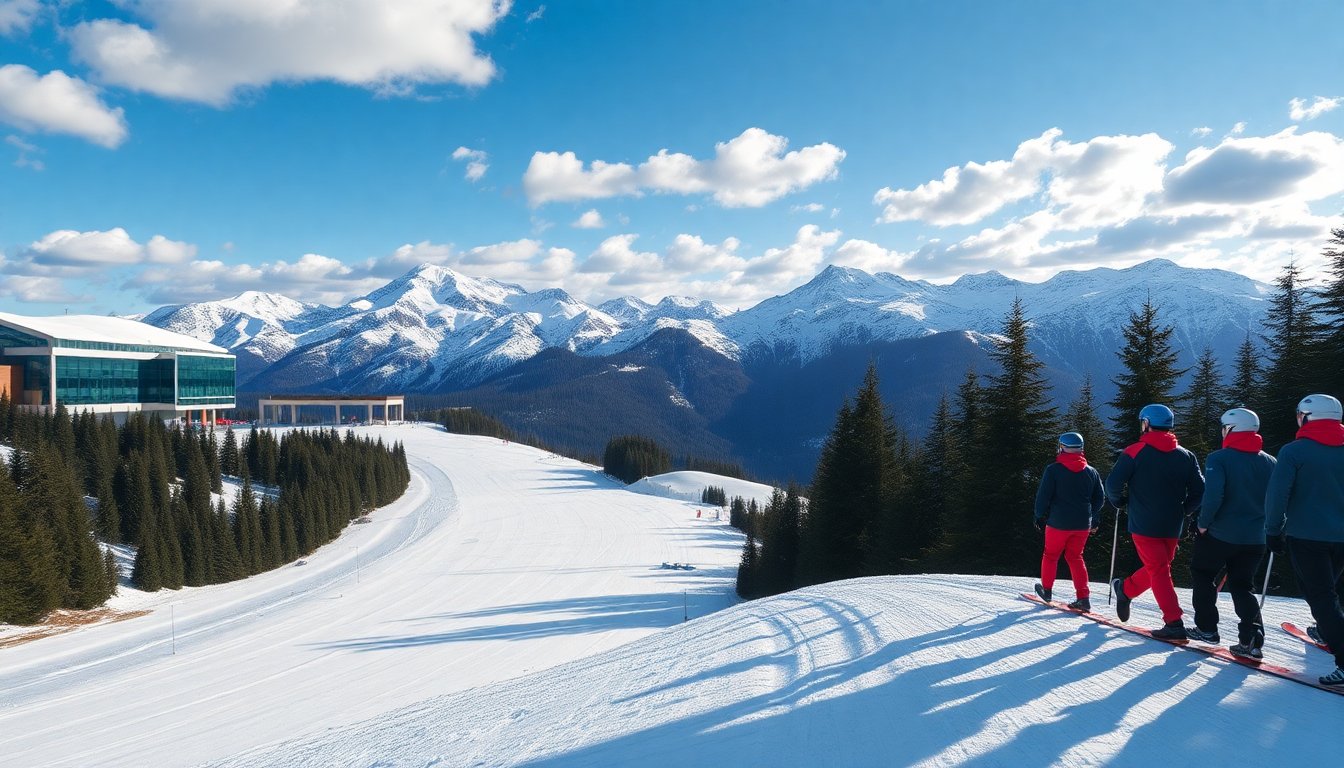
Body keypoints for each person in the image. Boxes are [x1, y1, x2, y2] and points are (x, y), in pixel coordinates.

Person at [1105, 403, 1205, 639]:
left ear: (1146, 424)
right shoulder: (1186, 456)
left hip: (1143, 522)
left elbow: (1112, 485)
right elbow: (1200, 491)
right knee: (1160, 568)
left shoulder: (1134, 452)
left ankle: (1171, 621)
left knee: (1158, 569)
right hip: (1172, 525)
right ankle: (1130, 593)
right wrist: (1185, 511)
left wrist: (1120, 501)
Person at [1265, 393, 1344, 686]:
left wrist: (1273, 530)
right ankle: (1327, 629)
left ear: (1308, 417)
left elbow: (1277, 495)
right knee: (1329, 591)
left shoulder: (1294, 452)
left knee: (1320, 595)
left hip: (1307, 535)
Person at [1187, 408, 1275, 658]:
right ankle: (1252, 637)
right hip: (1256, 537)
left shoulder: (1219, 459)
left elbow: (1214, 496)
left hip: (1221, 534)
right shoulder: (1270, 461)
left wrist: (1203, 523)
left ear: (1231, 429)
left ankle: (1207, 628)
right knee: (1243, 586)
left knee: (1203, 574)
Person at [1033, 432, 1105, 611]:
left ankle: (1047, 591)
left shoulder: (1054, 470)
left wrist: (1039, 515)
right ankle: (1083, 597)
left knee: (1051, 555)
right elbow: (1100, 498)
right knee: (1075, 557)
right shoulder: (1091, 472)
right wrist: (1093, 517)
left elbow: (1043, 497)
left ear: (1062, 448)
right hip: (1082, 524)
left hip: (1058, 523)